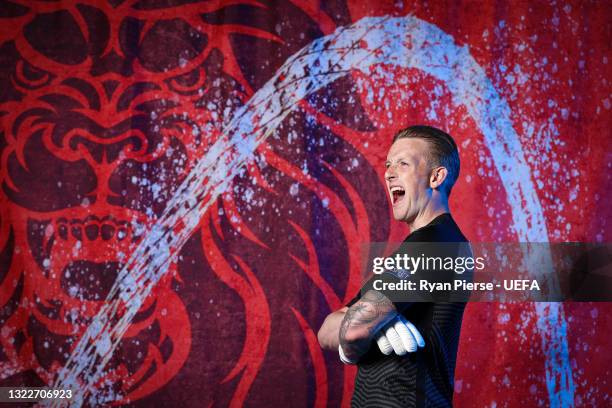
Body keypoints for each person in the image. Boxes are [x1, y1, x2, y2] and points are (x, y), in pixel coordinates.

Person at [317, 125, 469, 407]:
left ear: (436, 177)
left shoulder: (436, 243)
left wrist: (356, 337)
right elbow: (326, 329)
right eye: (388, 164)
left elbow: (351, 329)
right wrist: (374, 326)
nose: (388, 173)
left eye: (403, 163)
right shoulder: (420, 246)